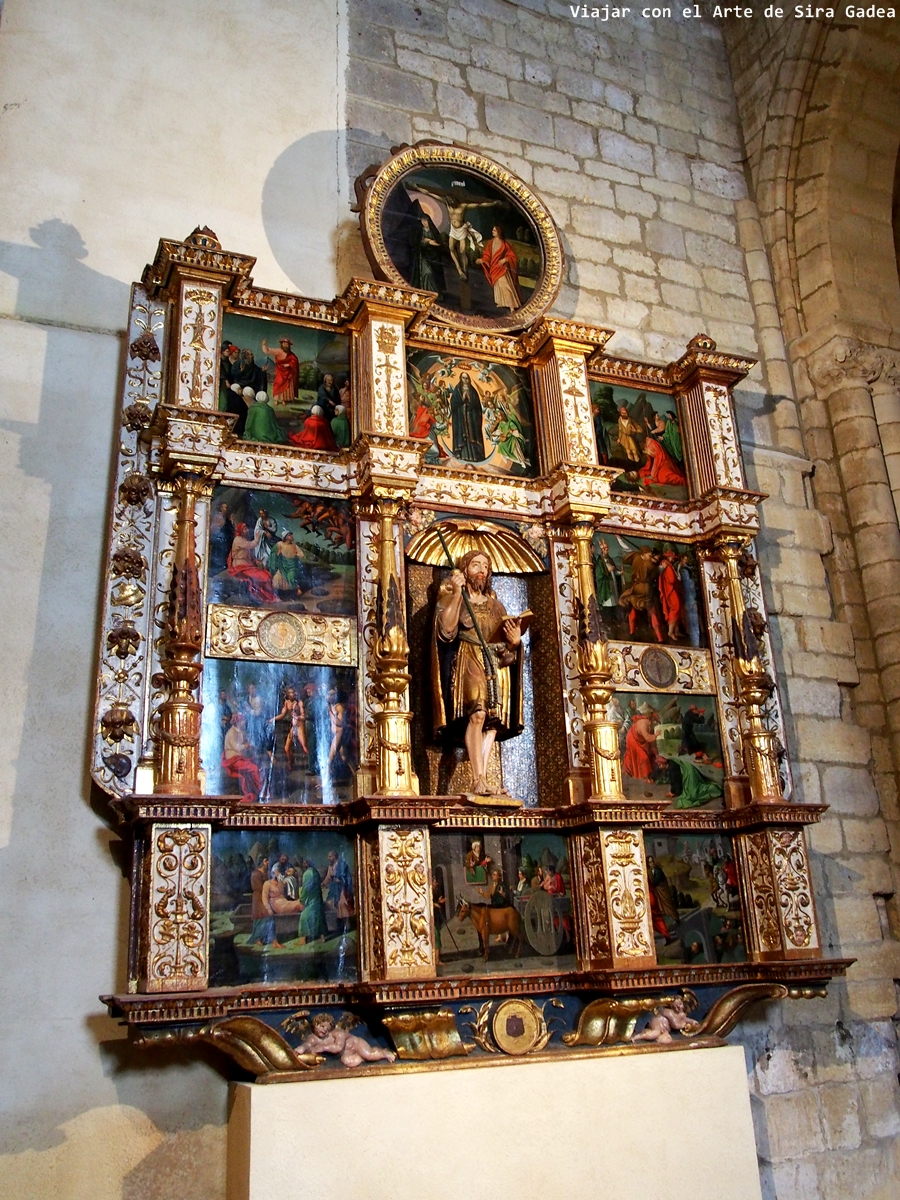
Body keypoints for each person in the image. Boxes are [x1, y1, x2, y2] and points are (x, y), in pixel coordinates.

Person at [433, 550, 525, 796]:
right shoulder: (455, 599)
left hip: (494, 665)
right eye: (475, 565)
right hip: (469, 658)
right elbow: (446, 631)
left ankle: (482, 779)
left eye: (485, 565)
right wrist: (455, 594)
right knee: (477, 714)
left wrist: (514, 644)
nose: (481, 570)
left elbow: (507, 654)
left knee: (492, 724)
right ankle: (476, 779)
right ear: (464, 571)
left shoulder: (496, 606)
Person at [295, 1013, 396, 1067]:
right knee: (348, 1062)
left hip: (357, 1045)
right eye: (321, 1026)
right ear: (315, 1026)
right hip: (346, 1053)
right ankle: (361, 1057)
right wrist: (300, 1050)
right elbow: (307, 1045)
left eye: (327, 1028)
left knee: (368, 1055)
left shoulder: (338, 1033)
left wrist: (322, 1047)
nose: (324, 1030)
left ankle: (384, 1052)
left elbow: (338, 1048)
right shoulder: (313, 1038)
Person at [619, 545, 665, 642]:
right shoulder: (647, 563)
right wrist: (661, 566)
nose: (650, 557)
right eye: (649, 555)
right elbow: (656, 571)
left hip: (638, 588)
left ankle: (632, 632)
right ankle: (659, 637)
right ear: (643, 555)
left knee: (635, 610)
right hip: (644, 589)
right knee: (651, 612)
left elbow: (627, 549)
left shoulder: (637, 558)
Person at [476, 225, 521, 310]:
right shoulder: (491, 242)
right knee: (498, 286)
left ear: (499, 232)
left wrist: (505, 259)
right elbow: (487, 255)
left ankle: (512, 306)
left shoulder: (504, 244)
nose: (492, 231)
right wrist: (482, 260)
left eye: (494, 230)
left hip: (502, 268)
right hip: (494, 268)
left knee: (505, 286)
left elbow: (512, 256)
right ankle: (502, 302)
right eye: (493, 230)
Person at [222, 712, 262, 803]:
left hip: (240, 757)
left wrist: (250, 745)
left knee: (257, 765)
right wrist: (246, 746)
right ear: (238, 722)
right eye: (242, 720)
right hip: (232, 759)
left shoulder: (240, 731)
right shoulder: (231, 733)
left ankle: (255, 790)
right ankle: (260, 790)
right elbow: (237, 747)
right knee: (254, 768)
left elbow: (245, 742)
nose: (244, 722)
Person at [449, 372, 485, 462]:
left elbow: (478, 407)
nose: (465, 380)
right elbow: (453, 404)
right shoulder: (457, 390)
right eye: (463, 378)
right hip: (461, 418)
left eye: (467, 378)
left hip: (471, 418)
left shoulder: (473, 391)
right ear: (460, 379)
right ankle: (461, 454)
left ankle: (475, 456)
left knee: (472, 436)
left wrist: (470, 401)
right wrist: (462, 400)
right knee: (463, 437)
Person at [622, 703, 663, 781]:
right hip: (633, 739)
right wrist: (656, 735)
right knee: (643, 757)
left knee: (650, 755)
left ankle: (649, 775)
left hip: (641, 740)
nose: (656, 722)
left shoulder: (650, 723)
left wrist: (656, 753)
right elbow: (648, 738)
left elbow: (652, 743)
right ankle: (645, 776)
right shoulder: (643, 723)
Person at [656, 548, 685, 640]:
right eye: (672, 558)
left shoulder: (669, 565)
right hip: (670, 590)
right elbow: (671, 579)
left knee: (677, 610)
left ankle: (676, 631)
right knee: (675, 609)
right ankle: (670, 632)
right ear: (668, 557)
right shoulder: (667, 566)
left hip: (672, 590)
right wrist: (677, 579)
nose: (673, 559)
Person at [261, 337, 299, 405]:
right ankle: (276, 399)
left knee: (287, 385)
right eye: (284, 344)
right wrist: (264, 345)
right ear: (282, 344)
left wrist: (289, 364)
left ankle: (284, 399)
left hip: (288, 372)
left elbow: (294, 361)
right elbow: (268, 351)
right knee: (278, 383)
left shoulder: (291, 354)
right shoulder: (278, 351)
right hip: (280, 371)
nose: (285, 346)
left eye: (287, 344)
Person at [297, 857, 326, 943]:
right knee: (319, 918)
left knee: (304, 917)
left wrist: (302, 900)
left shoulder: (307, 873)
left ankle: (303, 940)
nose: (303, 864)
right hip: (317, 899)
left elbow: (306, 888)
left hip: (311, 900)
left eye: (305, 862)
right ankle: (322, 937)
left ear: (307, 864)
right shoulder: (315, 872)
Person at [268, 530, 305, 596]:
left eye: (291, 535)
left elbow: (301, 554)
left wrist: (297, 554)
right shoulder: (280, 544)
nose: (291, 536)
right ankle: (280, 594)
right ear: (285, 537)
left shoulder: (294, 546)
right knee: (277, 578)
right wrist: (277, 554)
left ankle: (297, 589)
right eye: (289, 535)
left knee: (291, 577)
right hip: (283, 566)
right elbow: (273, 552)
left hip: (292, 566)